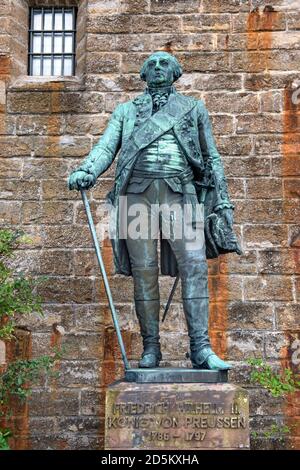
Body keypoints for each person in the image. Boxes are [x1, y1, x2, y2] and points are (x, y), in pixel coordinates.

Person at [68, 51, 241, 370]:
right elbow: (107, 146)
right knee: (144, 273)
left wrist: (224, 200)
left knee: (195, 266)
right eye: (152, 64)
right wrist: (88, 170)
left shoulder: (192, 108)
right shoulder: (125, 111)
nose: (158, 67)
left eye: (165, 63)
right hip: (136, 198)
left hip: (180, 194)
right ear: (143, 74)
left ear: (176, 73)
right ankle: (151, 348)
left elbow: (212, 156)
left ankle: (201, 349)